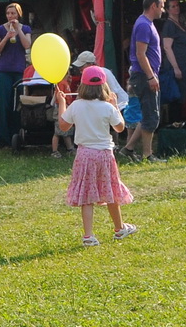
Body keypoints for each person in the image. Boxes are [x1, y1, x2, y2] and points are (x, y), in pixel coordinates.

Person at [58, 65, 138, 245]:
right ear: (104, 86)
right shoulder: (107, 107)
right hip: (104, 155)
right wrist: (115, 106)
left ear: (82, 86)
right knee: (110, 190)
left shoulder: (76, 106)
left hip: (84, 154)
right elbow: (120, 127)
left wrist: (61, 102)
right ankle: (119, 228)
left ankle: (88, 236)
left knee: (87, 194)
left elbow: (63, 126)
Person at [0, 2, 33, 148]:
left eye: (13, 13)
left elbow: (27, 45)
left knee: (18, 104)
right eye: (8, 13)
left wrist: (18, 30)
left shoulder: (25, 29)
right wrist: (7, 37)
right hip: (4, 71)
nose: (10, 16)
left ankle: (17, 135)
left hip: (19, 71)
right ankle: (1, 138)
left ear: (18, 14)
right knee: (3, 104)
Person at [127, 0, 165, 160]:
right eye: (161, 6)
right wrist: (150, 77)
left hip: (146, 74)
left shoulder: (146, 23)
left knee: (147, 114)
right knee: (151, 116)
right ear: (153, 6)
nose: (163, 10)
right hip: (144, 75)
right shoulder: (143, 25)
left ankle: (128, 148)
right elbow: (140, 54)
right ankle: (147, 155)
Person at [160, 0, 186, 123]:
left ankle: (179, 121)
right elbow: (167, 47)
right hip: (177, 67)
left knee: (183, 96)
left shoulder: (182, 24)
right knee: (176, 96)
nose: (176, 8)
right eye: (173, 6)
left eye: (177, 5)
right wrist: (176, 67)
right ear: (167, 10)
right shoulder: (169, 26)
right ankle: (174, 123)